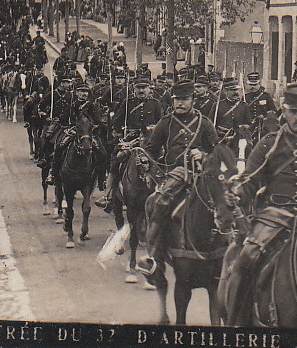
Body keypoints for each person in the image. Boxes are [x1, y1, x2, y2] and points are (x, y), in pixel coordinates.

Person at [222, 83, 297, 325]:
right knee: (247, 257)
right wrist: (237, 195)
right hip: (274, 216)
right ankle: (237, 322)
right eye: (294, 112)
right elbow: (250, 180)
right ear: (284, 112)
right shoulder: (268, 144)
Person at [137, 80, 219, 275]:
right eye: (177, 100)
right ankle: (154, 257)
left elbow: (219, 151)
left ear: (193, 100)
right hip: (174, 173)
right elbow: (151, 149)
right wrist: (146, 161)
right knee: (157, 203)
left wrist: (204, 155)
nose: (180, 103)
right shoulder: (165, 123)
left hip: (203, 174)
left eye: (185, 99)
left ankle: (225, 253)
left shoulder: (205, 123)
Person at [95, 77, 164, 211]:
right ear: (134, 89)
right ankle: (108, 196)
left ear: (149, 89)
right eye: (138, 88)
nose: (141, 90)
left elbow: (160, 123)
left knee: (162, 161)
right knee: (116, 161)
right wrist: (120, 138)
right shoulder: (127, 103)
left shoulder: (156, 103)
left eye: (144, 88)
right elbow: (116, 123)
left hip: (150, 139)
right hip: (130, 139)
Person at [46, 83, 103, 185]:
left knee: (102, 152)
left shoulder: (92, 106)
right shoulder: (72, 104)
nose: (83, 94)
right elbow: (64, 117)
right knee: (60, 147)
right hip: (73, 131)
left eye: (85, 92)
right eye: (81, 91)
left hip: (88, 134)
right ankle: (53, 173)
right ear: (77, 93)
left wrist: (93, 128)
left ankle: (101, 178)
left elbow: (98, 121)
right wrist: (59, 120)